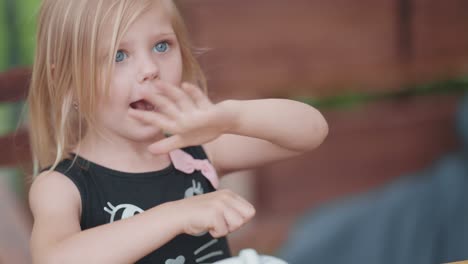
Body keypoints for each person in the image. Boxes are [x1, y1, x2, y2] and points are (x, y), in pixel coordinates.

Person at [26, 0, 328, 263]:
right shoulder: (63, 185)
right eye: (118, 55)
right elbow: (55, 259)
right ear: (68, 82)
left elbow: (311, 131)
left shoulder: (197, 149)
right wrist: (177, 214)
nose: (150, 68)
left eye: (162, 46)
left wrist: (232, 117)